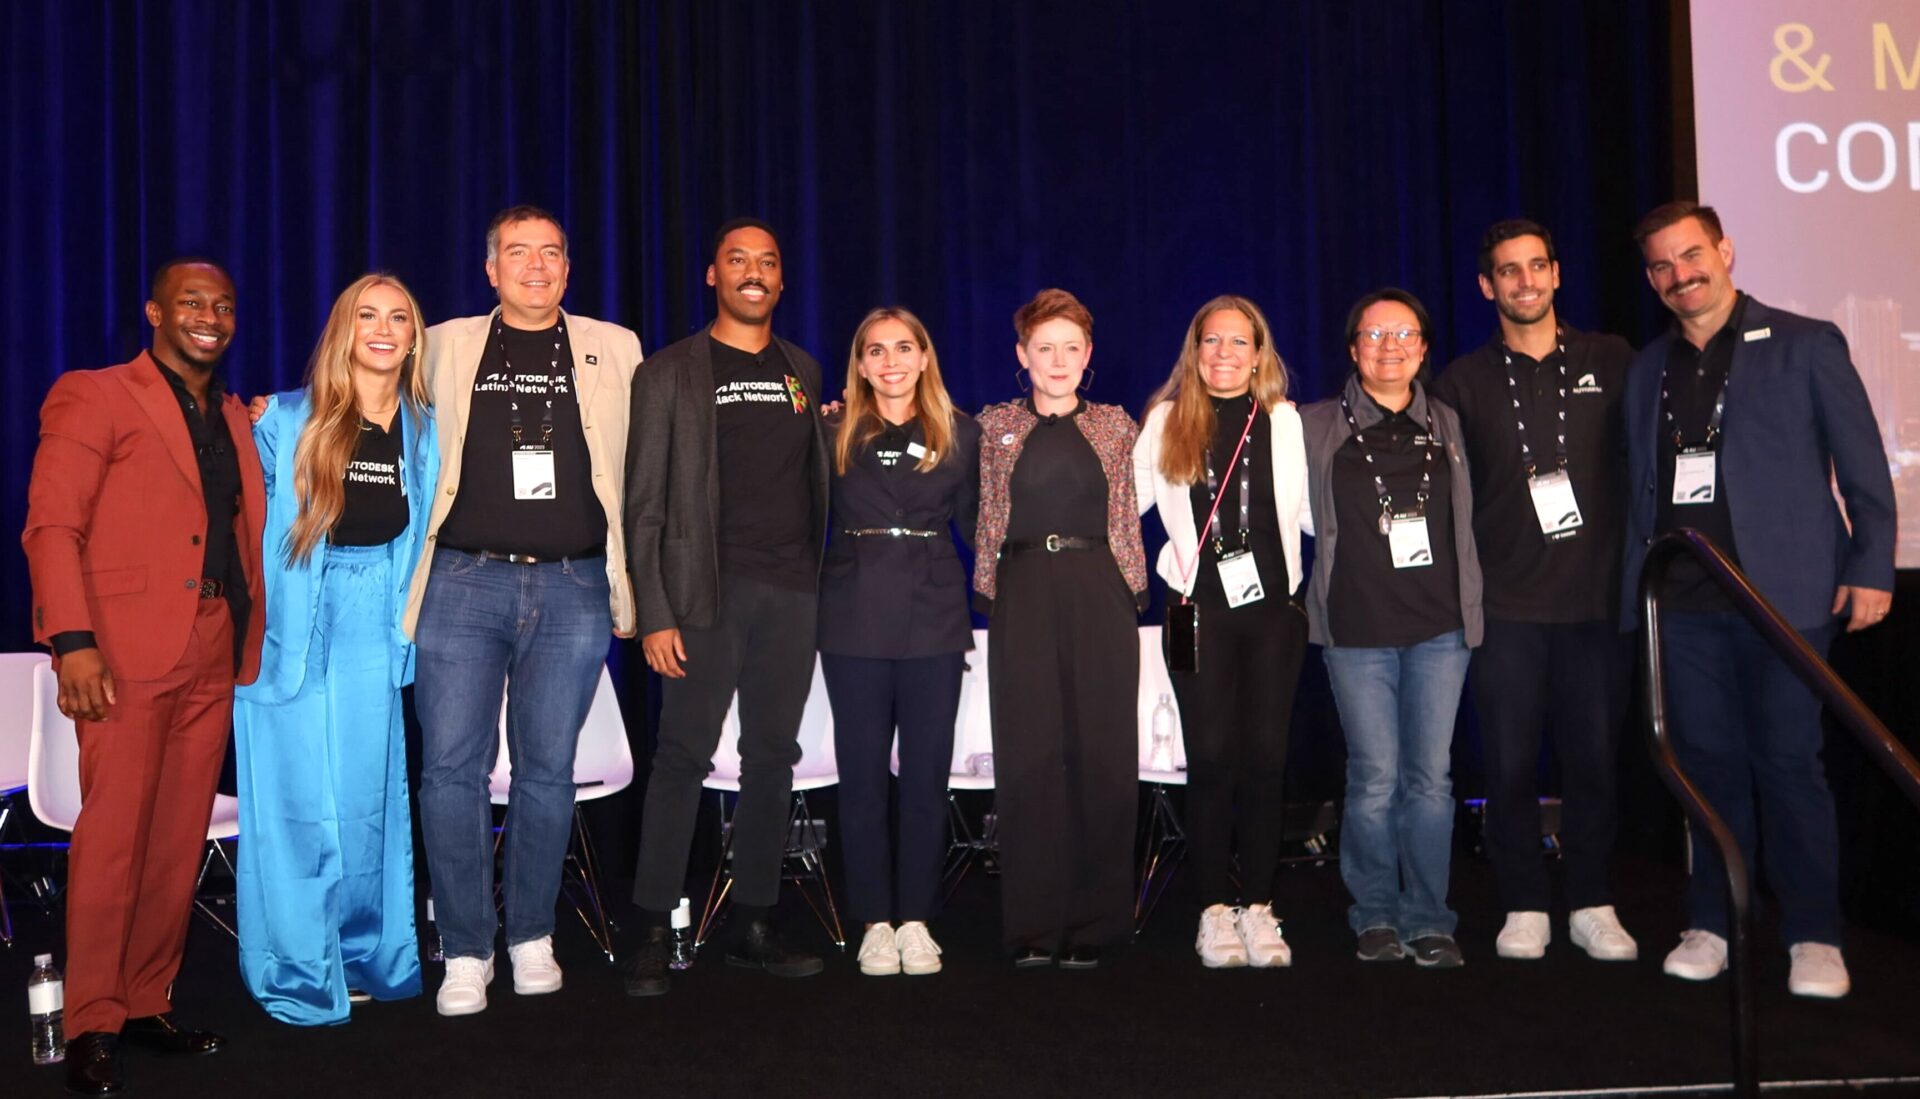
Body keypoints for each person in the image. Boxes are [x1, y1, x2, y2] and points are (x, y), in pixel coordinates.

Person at [1622, 201, 1895, 999]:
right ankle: (1714, 920)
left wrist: (1871, 565)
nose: (1681, 275)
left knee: (1788, 763)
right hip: (1682, 601)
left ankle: (1813, 933)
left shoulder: (1806, 343)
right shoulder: (1648, 368)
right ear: (1651, 279)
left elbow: (1864, 469)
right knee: (1706, 770)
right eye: (1663, 266)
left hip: (1788, 598)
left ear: (1725, 251)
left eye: (1691, 255)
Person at [23, 258, 265, 1093]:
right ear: (155, 311)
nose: (210, 315)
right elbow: (52, 526)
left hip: (210, 641)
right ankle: (91, 1017)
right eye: (193, 302)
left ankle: (144, 999)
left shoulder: (233, 412)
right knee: (114, 837)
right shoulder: (94, 393)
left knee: (176, 838)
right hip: (121, 651)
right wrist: (73, 641)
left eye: (225, 305)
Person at [407, 206, 643, 1016]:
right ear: (490, 268)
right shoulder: (441, 341)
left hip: (574, 585)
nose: (536, 266)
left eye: (551, 253)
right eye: (518, 253)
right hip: (463, 582)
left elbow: (648, 462)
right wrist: (279, 411)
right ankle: (466, 949)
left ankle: (532, 935)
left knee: (547, 772)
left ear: (568, 270)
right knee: (450, 771)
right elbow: (359, 387)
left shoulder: (614, 347)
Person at [623, 218, 830, 995]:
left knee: (772, 759)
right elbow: (643, 503)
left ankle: (754, 920)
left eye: (767, 263)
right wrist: (654, 610)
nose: (753, 273)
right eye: (738, 260)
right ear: (712, 275)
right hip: (702, 596)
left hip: (790, 594)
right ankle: (648, 926)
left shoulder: (801, 370)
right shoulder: (671, 371)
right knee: (680, 758)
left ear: (781, 282)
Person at [231, 274, 439, 1024]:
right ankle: (293, 972)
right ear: (342, 330)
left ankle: (360, 954)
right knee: (291, 810)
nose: (382, 329)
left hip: (373, 633)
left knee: (364, 806)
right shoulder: (285, 419)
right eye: (366, 315)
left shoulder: (426, 429)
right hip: (290, 630)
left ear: (415, 336)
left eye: (398, 317)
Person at [1429, 220, 1639, 963]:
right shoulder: (1459, 381)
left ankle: (1591, 899)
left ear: (1556, 274)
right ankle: (1522, 901)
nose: (1525, 282)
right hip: (1505, 609)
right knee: (1509, 765)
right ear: (1488, 286)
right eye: (1507, 272)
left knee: (1594, 762)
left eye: (1537, 266)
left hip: (1595, 604)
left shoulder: (1612, 359)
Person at [1300, 288, 1481, 968]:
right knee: (1374, 777)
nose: (1389, 346)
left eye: (1404, 334)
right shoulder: (1314, 424)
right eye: (1374, 335)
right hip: (1354, 631)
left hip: (1441, 630)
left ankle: (1430, 915)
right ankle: (1374, 912)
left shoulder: (1452, 426)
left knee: (1429, 778)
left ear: (1424, 348)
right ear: (1353, 350)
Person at [1133, 295, 1309, 969]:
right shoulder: (1167, 422)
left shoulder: (1287, 422)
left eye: (1240, 342)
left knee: (1265, 758)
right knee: (1208, 758)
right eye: (1212, 341)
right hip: (1194, 613)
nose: (1225, 354)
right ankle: (1212, 910)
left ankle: (1259, 907)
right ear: (1195, 349)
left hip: (1273, 616)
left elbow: (1324, 512)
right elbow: (1119, 499)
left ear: (1260, 353)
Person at [975, 288, 1148, 970]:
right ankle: (1033, 924)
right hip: (1021, 590)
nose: (1057, 359)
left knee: (1104, 757)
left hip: (1099, 588)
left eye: (1070, 347)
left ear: (1088, 355)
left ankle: (1097, 923)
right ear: (1022, 355)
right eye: (1043, 347)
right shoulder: (991, 426)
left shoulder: (1117, 426)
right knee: (1029, 757)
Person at [818, 307, 981, 977]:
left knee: (924, 777)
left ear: (923, 357)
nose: (890, 361)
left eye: (903, 348)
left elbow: (980, 523)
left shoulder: (961, 432)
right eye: (875, 350)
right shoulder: (830, 429)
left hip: (934, 615)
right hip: (852, 616)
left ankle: (916, 917)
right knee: (860, 780)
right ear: (860, 364)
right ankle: (874, 922)